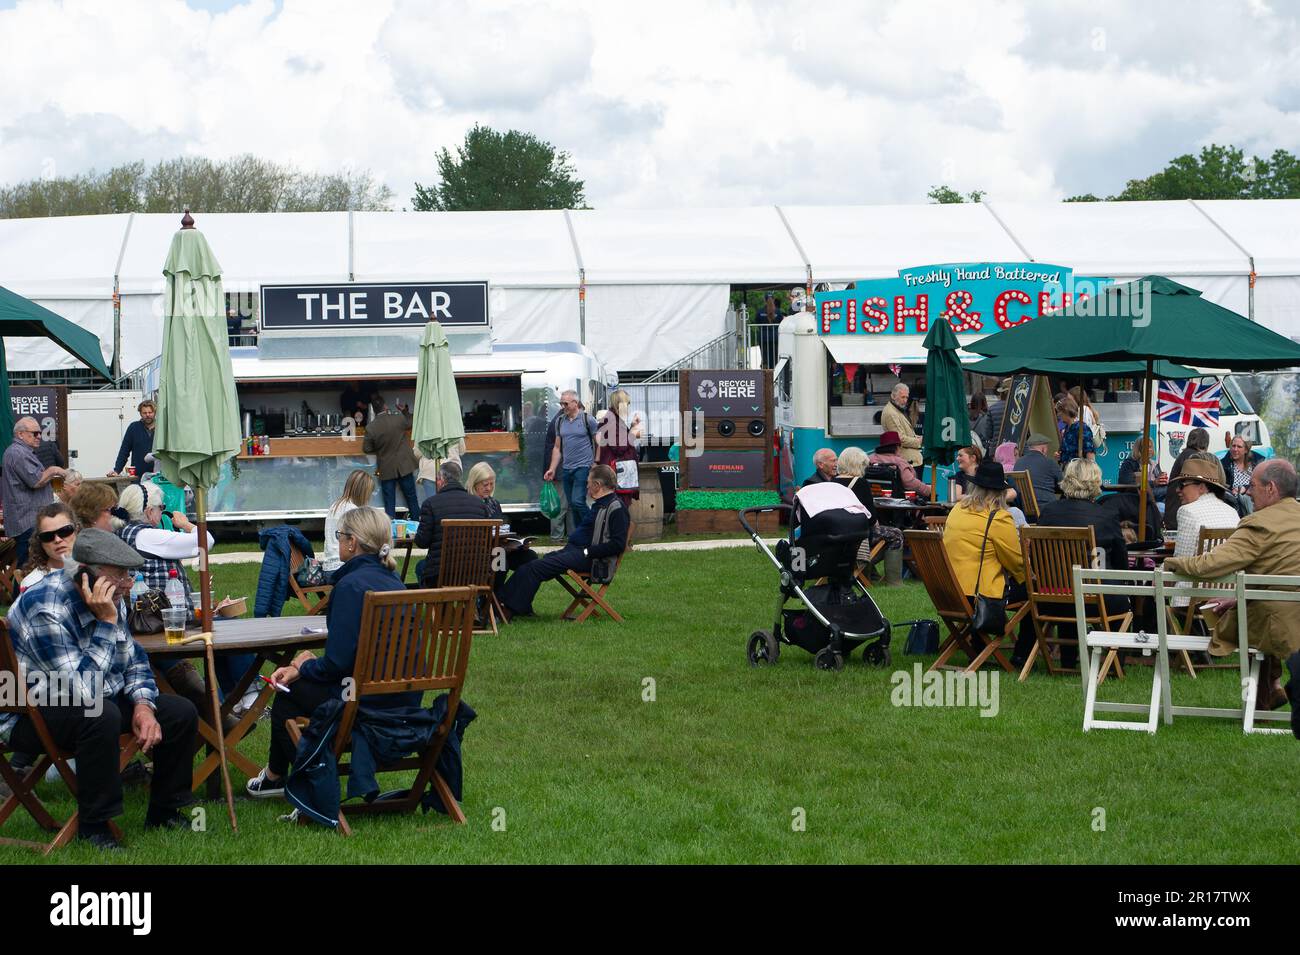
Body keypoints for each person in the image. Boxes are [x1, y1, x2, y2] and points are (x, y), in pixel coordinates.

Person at [1, 529, 199, 849]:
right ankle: (94, 826)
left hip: (83, 702)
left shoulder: (109, 598)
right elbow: (81, 689)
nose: (128, 582)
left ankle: (165, 812)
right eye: (120, 574)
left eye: (129, 573)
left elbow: (134, 661)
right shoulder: (46, 607)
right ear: (86, 575)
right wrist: (106, 624)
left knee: (179, 711)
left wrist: (144, 706)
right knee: (100, 714)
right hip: (26, 713)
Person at [246, 506, 415, 798]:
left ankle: (305, 780)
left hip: (363, 700)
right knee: (300, 681)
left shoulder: (350, 586)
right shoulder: (394, 582)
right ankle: (278, 776)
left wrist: (303, 667)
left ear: (352, 543)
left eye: (340, 536)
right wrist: (309, 663)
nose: (338, 542)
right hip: (404, 698)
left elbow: (337, 664)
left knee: (289, 691)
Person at [1165, 459, 1300, 713]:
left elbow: (1210, 565)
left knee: (1246, 623)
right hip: (1290, 615)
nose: (1248, 491)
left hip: (1275, 622)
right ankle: (1269, 691)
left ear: (1270, 488)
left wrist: (1170, 563)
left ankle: (1261, 700)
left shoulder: (1259, 523)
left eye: (1252, 485)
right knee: (1252, 613)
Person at [498, 464, 629, 620]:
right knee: (535, 563)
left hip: (592, 559)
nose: (587, 486)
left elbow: (618, 544)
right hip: (576, 552)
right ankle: (518, 606)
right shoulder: (601, 504)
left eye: (588, 483)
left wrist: (587, 552)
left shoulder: (616, 508)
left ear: (597, 485)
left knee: (535, 568)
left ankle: (504, 608)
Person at [1036, 459, 1132, 667]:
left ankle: (1068, 660)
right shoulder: (1106, 515)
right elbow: (1121, 564)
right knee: (1117, 594)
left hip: (1050, 599)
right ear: (1095, 483)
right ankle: (1115, 662)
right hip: (1094, 602)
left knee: (1070, 584)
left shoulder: (1048, 512)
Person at [941, 460, 1033, 666]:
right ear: (1001, 492)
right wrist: (1030, 576)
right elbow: (1016, 562)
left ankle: (978, 644)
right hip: (980, 597)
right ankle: (1022, 655)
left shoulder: (957, 510)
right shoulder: (998, 518)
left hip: (949, 591)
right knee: (1036, 593)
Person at [1166, 458, 1239, 610]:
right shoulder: (1232, 512)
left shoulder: (1187, 511)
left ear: (1202, 487)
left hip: (1191, 601)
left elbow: (1180, 561)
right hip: (1226, 600)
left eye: (1182, 484)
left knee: (1152, 589)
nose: (1177, 490)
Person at [414, 460, 489, 587]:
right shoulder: (480, 505)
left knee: (421, 567)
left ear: (441, 480)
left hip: (441, 574)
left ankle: (439, 606)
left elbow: (422, 542)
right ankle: (469, 605)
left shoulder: (431, 504)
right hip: (475, 573)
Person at [834, 446, 903, 584]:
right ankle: (893, 581)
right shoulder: (861, 484)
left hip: (836, 537)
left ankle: (869, 574)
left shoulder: (831, 483)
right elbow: (870, 518)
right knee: (896, 534)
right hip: (858, 536)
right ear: (858, 465)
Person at [2, 416, 64, 567]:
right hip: (27, 521)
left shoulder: (20, 452)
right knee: (29, 565)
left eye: (40, 433)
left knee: (31, 564)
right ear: (20, 434)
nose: (39, 437)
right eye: (34, 433)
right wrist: (53, 469)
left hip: (28, 519)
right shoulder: (18, 453)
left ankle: (21, 589)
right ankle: (22, 591)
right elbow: (35, 481)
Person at [467, 461, 539, 587]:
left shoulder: (494, 503)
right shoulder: (468, 503)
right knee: (500, 560)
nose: (489, 488)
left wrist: (517, 544)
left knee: (530, 557)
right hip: (481, 553)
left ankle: (512, 594)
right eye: (485, 485)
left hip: (500, 548)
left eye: (491, 484)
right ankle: (493, 597)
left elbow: (500, 530)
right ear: (474, 483)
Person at [544, 389, 599, 534]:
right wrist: (552, 469)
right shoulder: (560, 421)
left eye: (566, 403)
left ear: (575, 403)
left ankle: (595, 527)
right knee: (572, 505)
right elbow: (557, 448)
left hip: (583, 467)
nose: (563, 406)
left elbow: (600, 443)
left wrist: (596, 463)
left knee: (578, 501)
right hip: (567, 469)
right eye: (561, 403)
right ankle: (581, 535)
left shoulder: (588, 419)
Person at [362, 396, 419, 520]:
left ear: (374, 410)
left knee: (389, 503)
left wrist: (380, 449)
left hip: (386, 468)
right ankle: (417, 527)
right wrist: (404, 411)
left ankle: (389, 532)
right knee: (412, 498)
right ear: (385, 406)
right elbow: (411, 422)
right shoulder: (398, 417)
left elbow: (366, 449)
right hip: (405, 465)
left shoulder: (371, 428)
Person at [596, 389, 642, 507]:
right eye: (627, 404)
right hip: (616, 475)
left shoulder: (614, 419)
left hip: (619, 474)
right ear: (619, 404)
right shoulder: (610, 420)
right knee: (619, 511)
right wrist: (633, 433)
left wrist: (631, 426)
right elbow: (619, 447)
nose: (628, 407)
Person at [18, 502, 78, 592]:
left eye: (65, 531)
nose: (57, 540)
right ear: (40, 541)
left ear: (76, 530)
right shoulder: (32, 583)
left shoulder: (97, 568)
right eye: (47, 536)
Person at [323, 469, 375, 574]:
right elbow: (364, 539)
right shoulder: (352, 509)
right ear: (363, 492)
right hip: (343, 567)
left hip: (329, 566)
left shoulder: (336, 505)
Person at [1163, 427, 1211, 531]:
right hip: (1180, 516)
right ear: (1205, 443)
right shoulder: (1193, 457)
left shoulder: (1185, 454)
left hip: (1173, 512)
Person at [869, 431, 931, 498]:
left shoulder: (868, 459)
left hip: (871, 499)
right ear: (897, 447)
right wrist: (928, 490)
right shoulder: (899, 462)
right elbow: (910, 482)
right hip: (896, 501)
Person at [1014, 432, 1063, 512]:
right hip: (1047, 509)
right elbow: (1063, 484)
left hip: (1024, 510)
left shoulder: (1018, 463)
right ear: (1043, 449)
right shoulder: (1049, 462)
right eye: (1047, 448)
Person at [108, 399, 156, 479]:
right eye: (144, 413)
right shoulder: (133, 428)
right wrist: (117, 470)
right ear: (140, 413)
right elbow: (124, 451)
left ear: (155, 413)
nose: (147, 415)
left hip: (159, 476)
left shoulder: (162, 428)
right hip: (138, 477)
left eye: (150, 412)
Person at [880, 382, 923, 470]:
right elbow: (899, 438)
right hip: (906, 462)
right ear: (893, 396)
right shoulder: (891, 413)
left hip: (910, 461)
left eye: (906, 397)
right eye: (902, 397)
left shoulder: (897, 409)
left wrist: (916, 437)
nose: (905, 400)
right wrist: (918, 441)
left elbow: (904, 434)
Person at [1119, 437, 1168, 503]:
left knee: (1171, 489)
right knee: (1169, 490)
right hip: (1137, 497)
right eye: (1145, 447)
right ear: (1138, 449)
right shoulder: (1129, 463)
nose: (1149, 449)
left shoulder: (1154, 464)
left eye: (1150, 447)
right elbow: (1128, 485)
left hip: (1155, 497)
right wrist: (1153, 483)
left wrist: (1163, 481)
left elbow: (1159, 483)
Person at [1222, 436, 1265, 506]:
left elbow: (1262, 483)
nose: (1235, 449)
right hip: (1234, 505)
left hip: (1255, 503)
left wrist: (1245, 487)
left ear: (1246, 450)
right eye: (1233, 446)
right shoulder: (1225, 465)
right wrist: (1230, 492)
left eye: (1239, 447)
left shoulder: (1256, 463)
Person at [1056, 396, 1095, 467]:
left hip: (1079, 470)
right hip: (1067, 469)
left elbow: (1090, 451)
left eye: (1060, 412)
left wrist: (1090, 471)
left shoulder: (1082, 428)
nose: (1058, 415)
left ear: (1066, 411)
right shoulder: (1067, 428)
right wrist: (1060, 456)